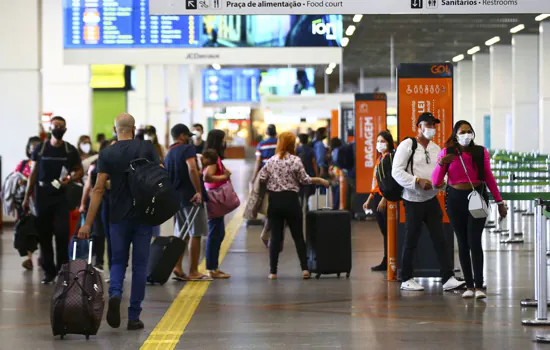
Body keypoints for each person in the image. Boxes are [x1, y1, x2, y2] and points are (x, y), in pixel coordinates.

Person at [78, 113, 160, 331]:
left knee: (117, 262)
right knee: (140, 265)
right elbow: (160, 177)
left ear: (115, 130)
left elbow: (97, 189)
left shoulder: (107, 153)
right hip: (143, 215)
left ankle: (115, 294)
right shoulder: (147, 148)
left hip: (117, 217)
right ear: (133, 128)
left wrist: (87, 223)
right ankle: (134, 316)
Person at [432, 120, 507, 300]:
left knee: (474, 241)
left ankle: (479, 285)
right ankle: (469, 284)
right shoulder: (447, 153)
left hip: (477, 198)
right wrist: (442, 163)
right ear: (455, 135)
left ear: (472, 133)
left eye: (469, 131)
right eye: (462, 132)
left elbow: (489, 177)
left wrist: (499, 201)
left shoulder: (480, 152)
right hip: (455, 200)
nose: (466, 135)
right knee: (463, 242)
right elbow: (436, 181)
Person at [391, 112, 465, 292]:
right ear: (419, 126)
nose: (431, 128)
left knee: (440, 239)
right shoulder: (408, 145)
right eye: (428, 124)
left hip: (431, 200)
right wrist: (417, 181)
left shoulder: (435, 148)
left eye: (433, 125)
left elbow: (441, 173)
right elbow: (396, 172)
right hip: (413, 200)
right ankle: (406, 278)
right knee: (411, 239)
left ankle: (447, 277)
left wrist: (441, 184)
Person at [259, 132, 329, 280]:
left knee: (276, 237)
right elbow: (305, 180)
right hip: (291, 201)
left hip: (275, 201)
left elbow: (262, 178)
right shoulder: (296, 160)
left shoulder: (271, 160)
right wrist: (320, 180)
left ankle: (273, 272)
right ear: (292, 144)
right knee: (298, 236)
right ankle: (305, 269)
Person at [22, 116, 83, 284]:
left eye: (62, 126)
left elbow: (79, 171)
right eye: (56, 125)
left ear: (65, 129)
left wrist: (70, 178)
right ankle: (49, 272)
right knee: (45, 236)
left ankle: (63, 271)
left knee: (63, 234)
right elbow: (33, 174)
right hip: (42, 195)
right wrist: (27, 197)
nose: (58, 128)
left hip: (61, 196)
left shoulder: (70, 150)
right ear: (50, 128)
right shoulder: (40, 149)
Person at [164, 124, 211, 281]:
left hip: (176, 198)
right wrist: (198, 191)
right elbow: (191, 168)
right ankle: (193, 271)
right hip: (191, 197)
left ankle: (177, 267)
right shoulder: (187, 149)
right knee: (195, 233)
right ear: (182, 136)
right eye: (187, 136)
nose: (190, 138)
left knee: (181, 234)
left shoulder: (169, 152)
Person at [79, 139, 116, 273]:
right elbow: (88, 186)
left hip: (115, 205)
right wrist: (83, 204)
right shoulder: (95, 165)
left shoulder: (122, 164)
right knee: (98, 234)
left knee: (112, 236)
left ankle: (113, 267)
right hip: (98, 204)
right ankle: (98, 261)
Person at [363, 131, 395, 272]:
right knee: (384, 231)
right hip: (377, 197)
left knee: (388, 230)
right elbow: (375, 182)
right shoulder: (379, 159)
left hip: (385, 198)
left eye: (383, 141)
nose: (380, 144)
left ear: (389, 143)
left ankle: (390, 259)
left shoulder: (391, 159)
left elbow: (391, 182)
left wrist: (384, 198)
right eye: (378, 141)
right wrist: (369, 198)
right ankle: (386, 258)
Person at [203, 131, 232, 279]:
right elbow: (207, 176)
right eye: (223, 139)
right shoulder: (213, 156)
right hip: (214, 196)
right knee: (215, 232)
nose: (224, 142)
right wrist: (224, 176)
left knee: (218, 232)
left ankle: (214, 266)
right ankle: (211, 268)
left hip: (214, 195)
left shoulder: (212, 155)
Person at [11, 136, 41, 270]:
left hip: (41, 201)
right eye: (32, 146)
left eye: (37, 146)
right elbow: (14, 178)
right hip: (25, 203)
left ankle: (43, 257)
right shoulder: (23, 164)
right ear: (28, 149)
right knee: (28, 230)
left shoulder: (44, 163)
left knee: (42, 230)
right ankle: (29, 258)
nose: (34, 148)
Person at [296, 133, 318, 212]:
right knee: (307, 194)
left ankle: (301, 208)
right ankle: (306, 208)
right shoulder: (311, 150)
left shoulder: (297, 150)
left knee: (300, 194)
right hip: (309, 175)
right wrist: (317, 175)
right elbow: (314, 163)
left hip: (299, 175)